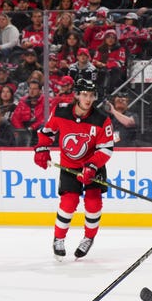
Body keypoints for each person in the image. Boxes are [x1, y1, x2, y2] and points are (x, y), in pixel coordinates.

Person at [33, 79, 113, 261]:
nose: (88, 99)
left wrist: (92, 166)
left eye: (91, 95)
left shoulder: (101, 119)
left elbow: (106, 148)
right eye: (84, 94)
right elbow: (46, 133)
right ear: (77, 94)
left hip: (93, 167)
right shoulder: (61, 112)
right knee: (68, 203)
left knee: (93, 204)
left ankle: (88, 238)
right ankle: (58, 239)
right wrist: (42, 148)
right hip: (69, 166)